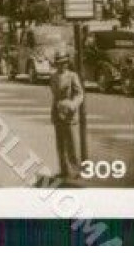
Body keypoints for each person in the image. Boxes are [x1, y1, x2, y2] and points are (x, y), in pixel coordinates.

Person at [49, 52, 85, 180]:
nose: (61, 65)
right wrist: (53, 112)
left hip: (70, 113)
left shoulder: (72, 76)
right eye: (59, 63)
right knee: (60, 144)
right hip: (58, 112)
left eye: (64, 63)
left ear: (67, 63)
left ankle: (76, 171)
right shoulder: (53, 77)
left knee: (72, 143)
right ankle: (64, 170)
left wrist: (73, 104)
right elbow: (54, 96)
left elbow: (80, 94)